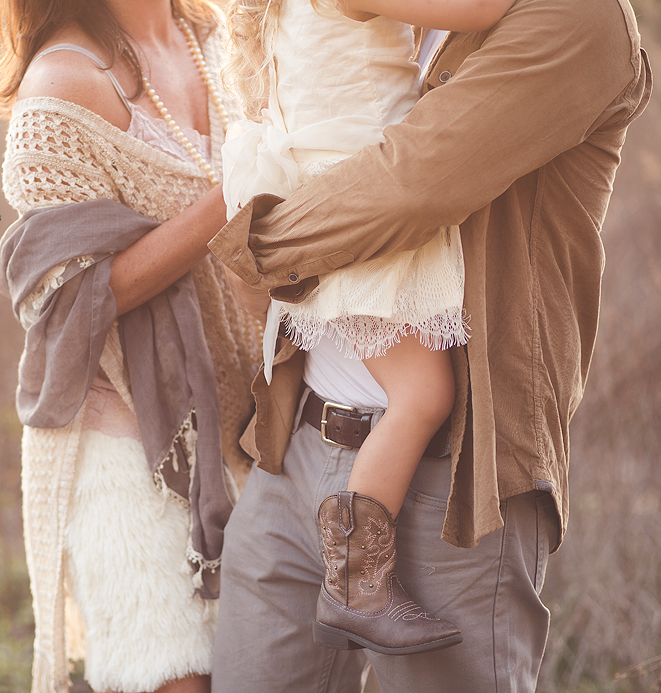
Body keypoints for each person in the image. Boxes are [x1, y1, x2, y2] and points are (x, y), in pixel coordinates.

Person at [208, 0, 651, 689]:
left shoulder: (578, 17)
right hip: (297, 452)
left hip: (451, 483)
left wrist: (258, 245)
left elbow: (407, 186)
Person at [218, 0, 530, 656]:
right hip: (366, 209)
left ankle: (353, 574)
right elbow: (477, 10)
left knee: (414, 389)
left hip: (338, 191)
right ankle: (357, 583)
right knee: (423, 395)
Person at [0, 2, 261, 692]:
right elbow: (72, 300)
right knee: (176, 676)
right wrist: (233, 195)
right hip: (131, 442)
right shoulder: (60, 89)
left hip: (253, 427)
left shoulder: (219, 34)